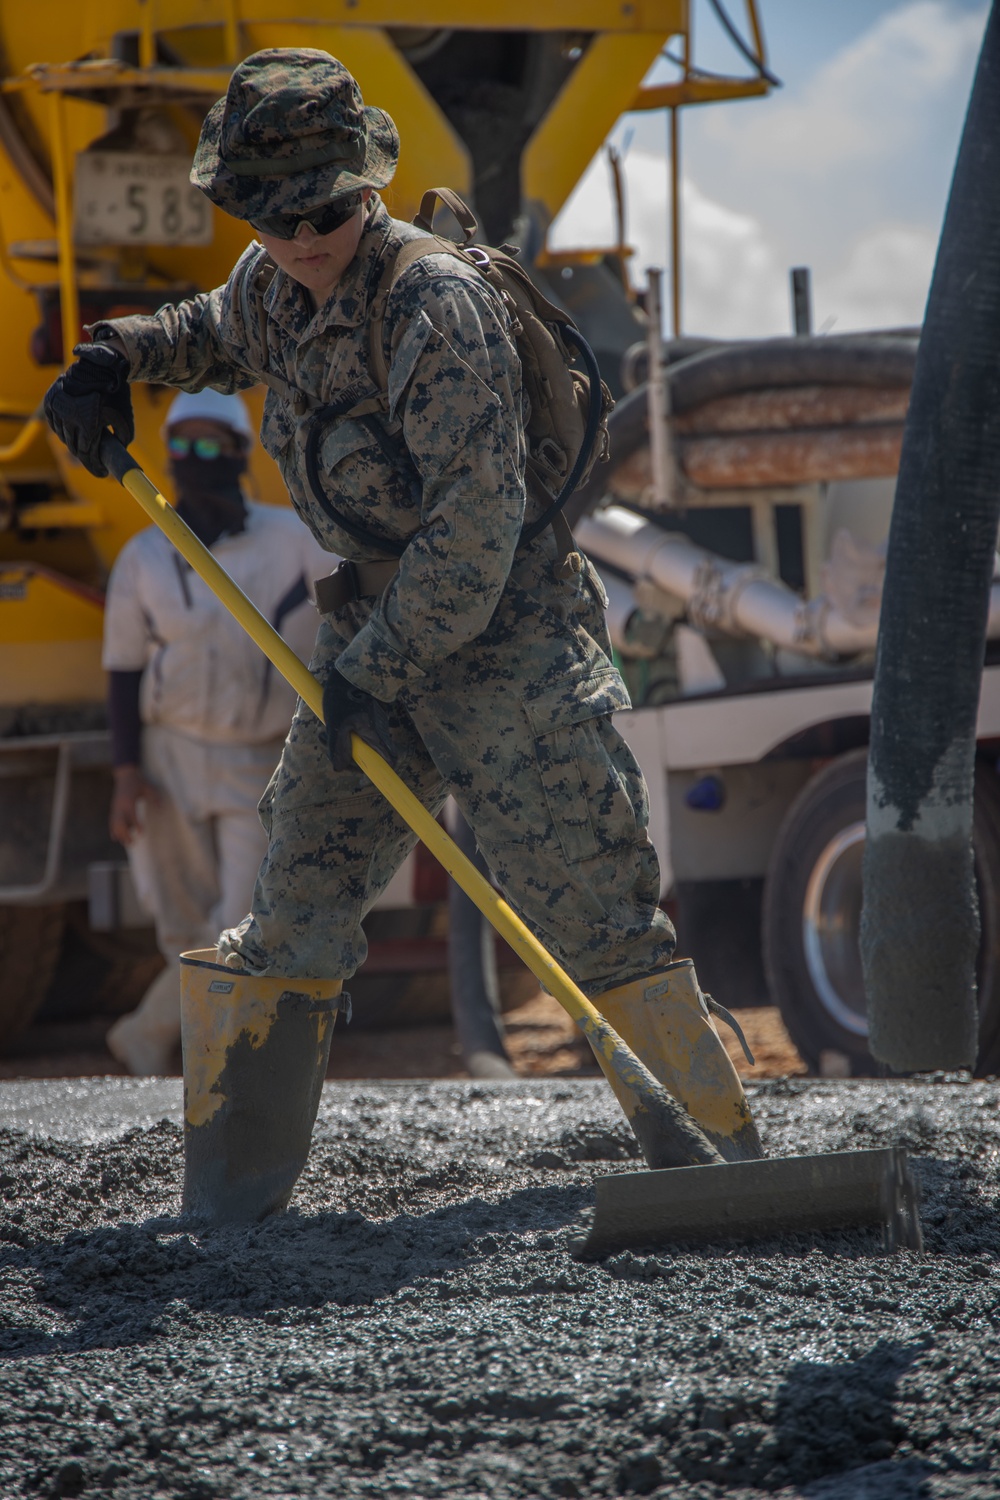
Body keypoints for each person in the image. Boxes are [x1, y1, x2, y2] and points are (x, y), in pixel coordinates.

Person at [45, 49, 761, 1170]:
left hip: (503, 646)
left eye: (321, 208)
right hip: (369, 648)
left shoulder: (435, 305)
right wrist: (116, 354)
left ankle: (722, 1168)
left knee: (594, 915)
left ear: (364, 182)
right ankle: (236, 1193)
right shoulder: (276, 285)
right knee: (294, 905)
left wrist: (368, 676)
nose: (298, 236)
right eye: (267, 213)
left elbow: (472, 538)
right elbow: (213, 330)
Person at [101, 388, 332, 1075]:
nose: (194, 462)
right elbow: (120, 672)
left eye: (210, 448)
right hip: (168, 757)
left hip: (259, 758)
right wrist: (125, 775)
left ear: (239, 454)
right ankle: (204, 1056)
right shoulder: (143, 556)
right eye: (182, 449)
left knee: (239, 920)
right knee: (182, 920)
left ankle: (151, 1036)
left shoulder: (295, 543)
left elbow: (350, 622)